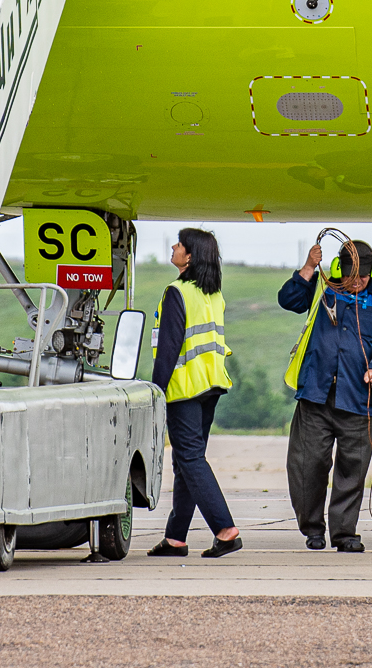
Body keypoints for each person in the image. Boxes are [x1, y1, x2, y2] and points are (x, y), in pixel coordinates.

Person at [278, 237, 372, 552]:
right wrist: (307, 268)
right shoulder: (322, 287)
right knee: (307, 464)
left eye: (363, 276)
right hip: (316, 393)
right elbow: (288, 300)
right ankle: (313, 529)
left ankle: (344, 533)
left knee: (352, 468)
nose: (357, 282)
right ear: (339, 270)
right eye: (351, 276)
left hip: (359, 398)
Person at [147, 228, 242, 559]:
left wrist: (156, 391)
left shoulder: (176, 292)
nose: (173, 247)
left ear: (189, 256)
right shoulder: (213, 294)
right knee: (185, 460)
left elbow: (169, 347)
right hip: (211, 384)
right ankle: (175, 539)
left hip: (186, 386)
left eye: (179, 244)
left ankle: (225, 531)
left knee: (189, 457)